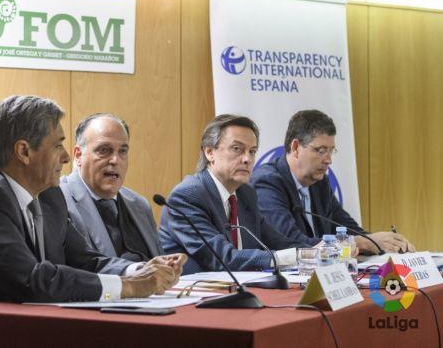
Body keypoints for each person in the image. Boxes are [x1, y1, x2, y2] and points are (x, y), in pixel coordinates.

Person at [0, 95, 185, 348]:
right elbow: (34, 281)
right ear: (24, 151)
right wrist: (128, 288)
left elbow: (86, 260)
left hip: (27, 330)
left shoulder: (50, 195)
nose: (67, 157)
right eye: (57, 145)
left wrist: (140, 270)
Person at [251, 109, 415, 254]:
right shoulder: (267, 182)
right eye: (321, 151)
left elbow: (348, 228)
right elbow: (291, 243)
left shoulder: (319, 182)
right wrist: (364, 242)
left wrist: (384, 243)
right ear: (295, 148)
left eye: (331, 151)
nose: (328, 160)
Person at [158, 114, 305, 274]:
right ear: (209, 152)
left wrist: (316, 252)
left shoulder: (245, 193)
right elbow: (223, 258)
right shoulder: (188, 195)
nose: (247, 159)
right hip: (194, 293)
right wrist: (295, 257)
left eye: (252, 151)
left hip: (238, 290)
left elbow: (280, 243)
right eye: (237, 149)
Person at [60, 113, 163, 261]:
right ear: (78, 155)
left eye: (123, 151)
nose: (115, 160)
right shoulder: (59, 200)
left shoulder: (140, 204)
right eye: (104, 150)